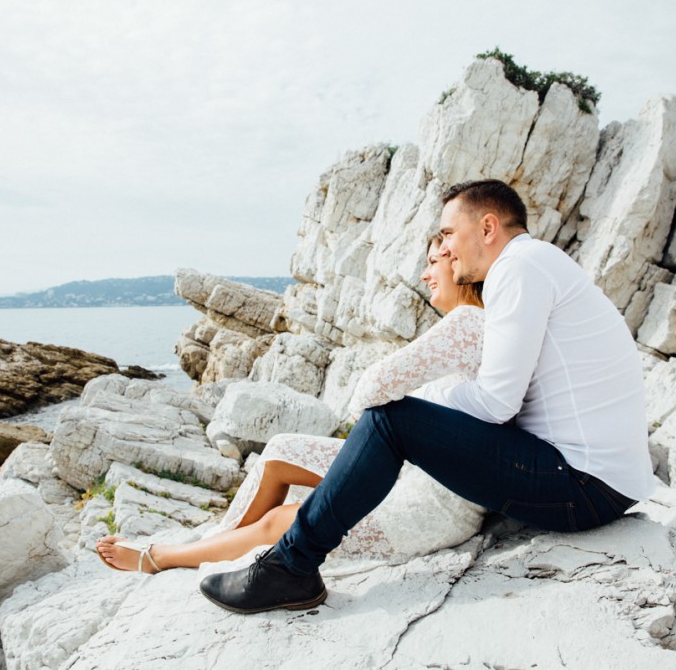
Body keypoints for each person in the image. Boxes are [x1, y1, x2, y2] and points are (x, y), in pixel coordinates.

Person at [199, 178, 655, 614]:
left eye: (449, 233)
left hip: (582, 484)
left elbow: (497, 404)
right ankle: (285, 561)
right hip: (596, 479)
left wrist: (424, 406)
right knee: (398, 420)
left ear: (488, 227)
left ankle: (292, 567)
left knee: (389, 421)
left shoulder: (517, 268)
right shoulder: (538, 263)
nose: (447, 248)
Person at [96, 237, 486, 573]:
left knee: (284, 520)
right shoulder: (461, 323)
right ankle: (217, 541)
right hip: (409, 467)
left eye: (434, 262)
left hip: (428, 507)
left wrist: (367, 416)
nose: (424, 274)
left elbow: (373, 385)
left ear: (460, 262)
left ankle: (163, 557)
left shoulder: (468, 321)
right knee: (280, 451)